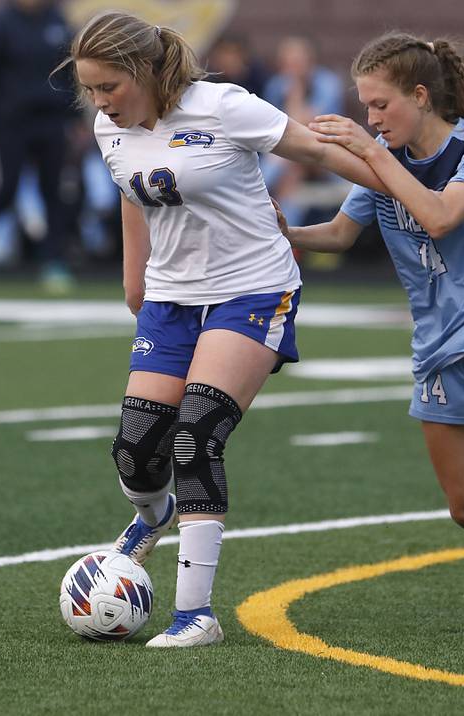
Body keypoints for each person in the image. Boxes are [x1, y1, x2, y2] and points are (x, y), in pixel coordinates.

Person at [56, 11, 386, 647]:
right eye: (90, 90)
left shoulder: (224, 105)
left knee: (197, 433)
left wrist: (416, 190)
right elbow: (133, 194)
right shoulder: (109, 127)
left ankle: (195, 615)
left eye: (109, 88)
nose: (99, 103)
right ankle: (154, 516)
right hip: (172, 299)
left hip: (253, 289)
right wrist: (136, 280)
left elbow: (318, 151)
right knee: (134, 450)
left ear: (146, 72)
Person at [276, 32, 464, 626]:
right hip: (437, 343)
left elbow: (437, 217)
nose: (371, 118)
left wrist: (371, 153)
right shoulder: (385, 162)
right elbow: (338, 235)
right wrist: (284, 234)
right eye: (364, 107)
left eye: (381, 105)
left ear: (420, 95)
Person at [0, 0, 81, 292]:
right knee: (1, 190)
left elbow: (71, 73)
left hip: (52, 121)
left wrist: (77, 116)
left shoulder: (58, 21)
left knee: (55, 192)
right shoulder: (0, 23)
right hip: (9, 122)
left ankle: (54, 262)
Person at [262, 36, 345, 229]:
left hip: (328, 153)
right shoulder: (275, 85)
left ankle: (260, 188)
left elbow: (307, 124)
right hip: (293, 160)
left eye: (297, 62)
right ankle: (290, 235)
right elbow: (269, 128)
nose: (292, 68)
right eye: (287, 63)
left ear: (310, 61)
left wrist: (295, 93)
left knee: (289, 159)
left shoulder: (328, 83)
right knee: (292, 171)